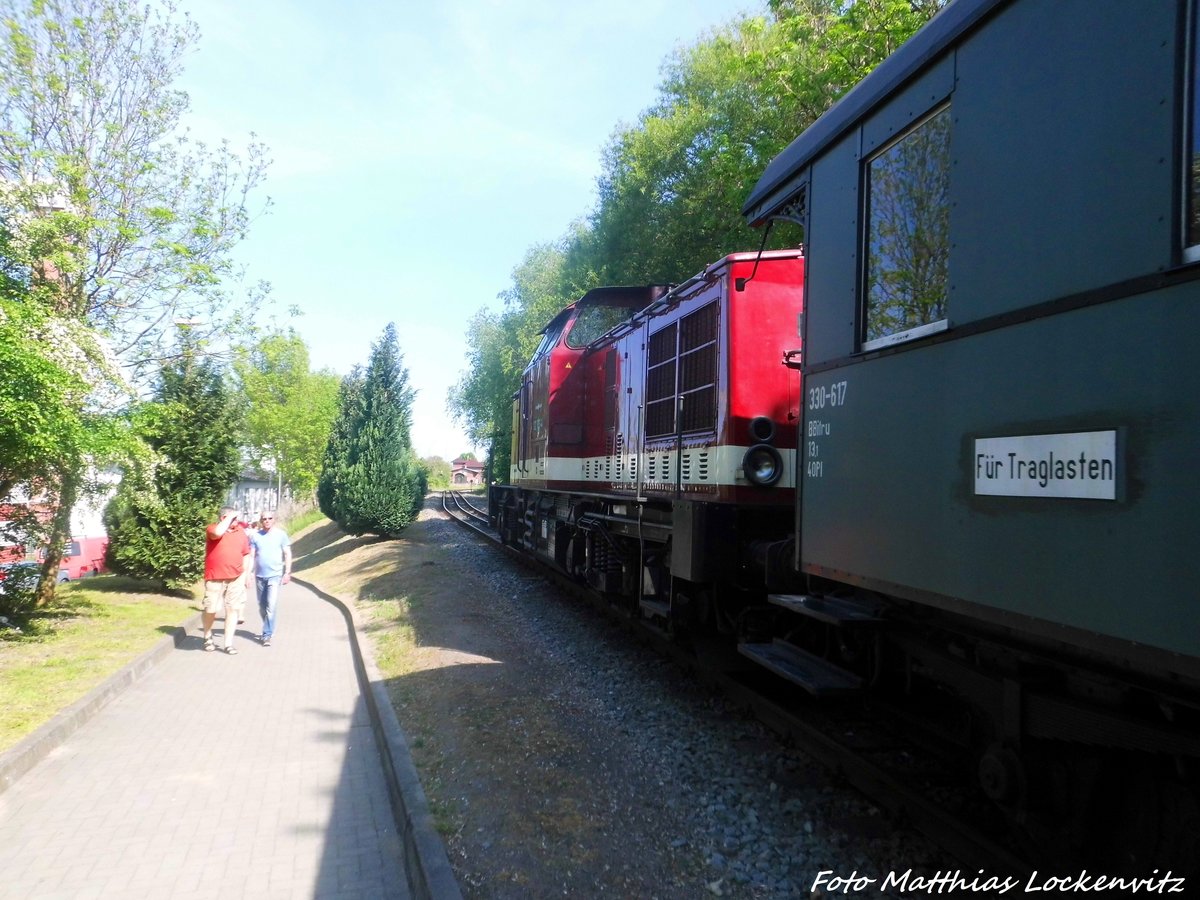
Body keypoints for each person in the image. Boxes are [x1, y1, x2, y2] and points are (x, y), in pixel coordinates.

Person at [203, 506, 251, 655]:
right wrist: (230, 516)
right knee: (211, 608)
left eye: (236, 518)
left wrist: (245, 573)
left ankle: (228, 643)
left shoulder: (240, 533)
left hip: (235, 577)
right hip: (215, 577)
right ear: (224, 518)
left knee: (232, 609)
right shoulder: (213, 529)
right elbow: (217, 533)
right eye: (233, 518)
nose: (237, 521)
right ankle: (207, 636)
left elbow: (246, 553)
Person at [248, 510, 292, 647]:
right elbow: (251, 556)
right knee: (262, 607)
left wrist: (287, 572)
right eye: (264, 519)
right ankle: (269, 626)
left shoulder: (281, 535)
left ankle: (266, 634)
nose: (267, 520)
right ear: (261, 521)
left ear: (274, 520)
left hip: (275, 575)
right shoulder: (255, 536)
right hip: (260, 576)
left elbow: (287, 554)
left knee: (271, 606)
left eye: (269, 518)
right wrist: (249, 573)